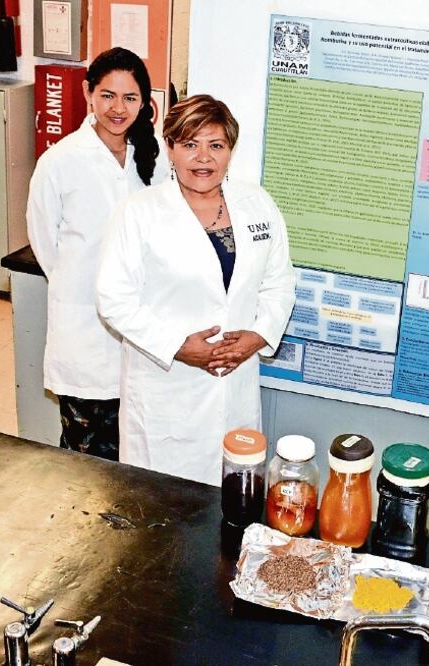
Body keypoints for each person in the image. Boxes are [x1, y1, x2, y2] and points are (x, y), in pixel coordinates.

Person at [96, 95, 296, 485]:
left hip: (234, 383)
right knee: (161, 499)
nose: (203, 157)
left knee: (233, 493)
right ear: (170, 148)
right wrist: (177, 346)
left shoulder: (257, 204)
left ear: (230, 151)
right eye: (190, 144)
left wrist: (258, 335)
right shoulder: (138, 212)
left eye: (215, 145)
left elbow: (280, 281)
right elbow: (114, 299)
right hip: (166, 387)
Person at [26, 47, 165, 459]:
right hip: (83, 332)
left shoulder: (156, 159)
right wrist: (84, 283)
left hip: (142, 330)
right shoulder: (59, 162)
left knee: (137, 457)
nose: (118, 108)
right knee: (84, 461)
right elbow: (46, 245)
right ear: (88, 92)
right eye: (108, 95)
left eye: (130, 98)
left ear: (145, 102)